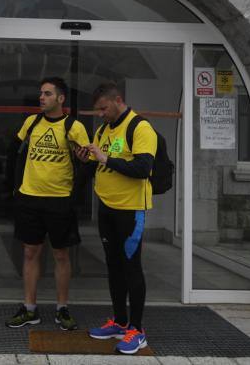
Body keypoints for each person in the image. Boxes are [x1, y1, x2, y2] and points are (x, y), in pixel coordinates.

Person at [75, 82, 156, 355]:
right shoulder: (103, 130)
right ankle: (120, 322)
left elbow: (143, 168)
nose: (101, 114)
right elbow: (98, 164)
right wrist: (86, 160)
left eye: (103, 108)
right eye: (98, 110)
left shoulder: (140, 127)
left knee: (131, 266)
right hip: (107, 208)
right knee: (113, 265)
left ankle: (137, 330)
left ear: (118, 100)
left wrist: (106, 158)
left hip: (131, 209)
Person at [5, 77, 90, 331]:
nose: (41, 97)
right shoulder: (31, 122)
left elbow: (88, 162)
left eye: (47, 94)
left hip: (60, 200)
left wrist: (83, 162)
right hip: (29, 198)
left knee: (61, 255)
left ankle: (62, 308)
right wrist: (14, 188)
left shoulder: (74, 127)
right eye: (41, 93)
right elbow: (13, 151)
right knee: (30, 252)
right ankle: (29, 309)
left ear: (61, 98)